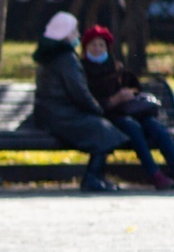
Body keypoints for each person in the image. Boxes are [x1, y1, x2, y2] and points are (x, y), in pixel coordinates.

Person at [32, 11, 128, 193]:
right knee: (104, 130)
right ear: (65, 33)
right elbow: (78, 92)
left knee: (103, 129)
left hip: (48, 114)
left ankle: (96, 176)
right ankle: (92, 177)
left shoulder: (47, 55)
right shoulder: (66, 58)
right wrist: (97, 109)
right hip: (62, 116)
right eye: (74, 30)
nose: (77, 35)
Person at [80, 24, 174, 190]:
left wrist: (130, 93)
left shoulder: (116, 66)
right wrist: (115, 99)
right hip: (108, 117)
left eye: (101, 45)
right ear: (85, 47)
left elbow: (136, 88)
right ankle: (154, 174)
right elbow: (89, 102)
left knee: (156, 127)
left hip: (130, 111)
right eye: (93, 45)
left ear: (107, 48)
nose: (97, 48)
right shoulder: (81, 70)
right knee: (133, 127)